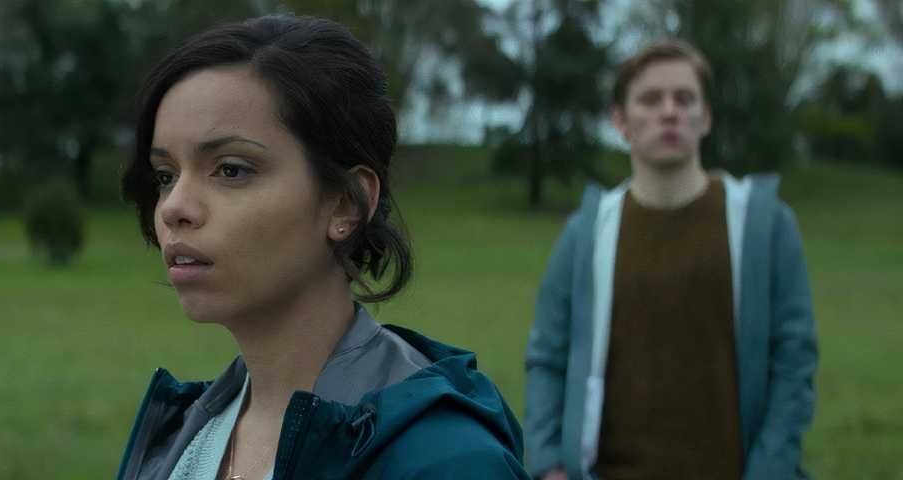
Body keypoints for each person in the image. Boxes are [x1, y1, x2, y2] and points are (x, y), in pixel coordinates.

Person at [116, 15, 528, 480]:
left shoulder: (447, 459)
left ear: (345, 204)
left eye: (231, 169)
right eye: (165, 175)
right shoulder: (183, 438)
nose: (174, 206)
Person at [523, 39, 818, 480]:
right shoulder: (586, 233)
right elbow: (548, 356)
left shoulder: (765, 225)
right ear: (620, 120)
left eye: (684, 98)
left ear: (706, 117)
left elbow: (794, 362)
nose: (669, 111)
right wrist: (549, 464)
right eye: (650, 99)